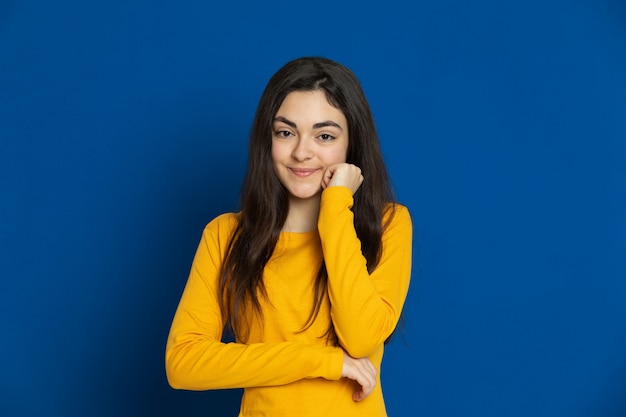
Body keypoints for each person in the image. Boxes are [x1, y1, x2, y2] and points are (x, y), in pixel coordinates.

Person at [165, 56, 413, 416]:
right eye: (286, 132)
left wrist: (335, 208)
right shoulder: (226, 235)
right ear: (268, 139)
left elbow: (360, 338)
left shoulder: (387, 225)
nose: (301, 151)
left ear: (352, 143)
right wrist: (321, 361)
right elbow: (183, 362)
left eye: (324, 135)